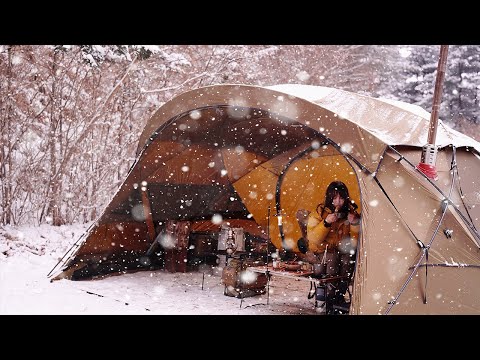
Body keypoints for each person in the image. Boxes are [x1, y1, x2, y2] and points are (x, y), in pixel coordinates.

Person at [300, 181, 360, 307]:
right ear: (329, 198)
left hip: (339, 250)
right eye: (334, 198)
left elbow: (356, 238)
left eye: (341, 198)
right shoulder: (319, 212)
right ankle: (329, 298)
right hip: (321, 252)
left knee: (349, 261)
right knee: (332, 260)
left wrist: (355, 222)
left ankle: (339, 296)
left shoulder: (349, 211)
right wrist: (326, 223)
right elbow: (313, 238)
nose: (338, 201)